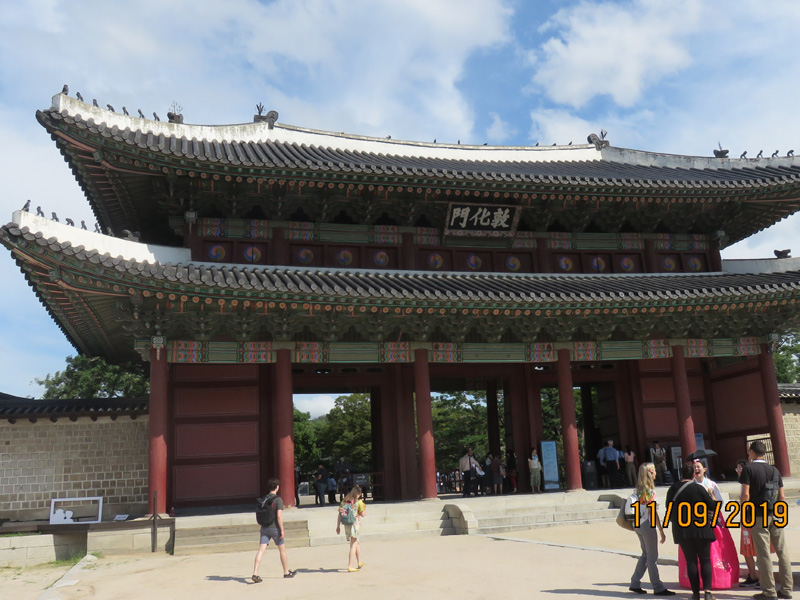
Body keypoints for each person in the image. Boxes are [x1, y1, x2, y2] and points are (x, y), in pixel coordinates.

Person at [739, 440, 793, 600]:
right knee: (782, 552)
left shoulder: (748, 469)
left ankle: (769, 591)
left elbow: (745, 495)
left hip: (758, 515)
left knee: (763, 554)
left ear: (752, 452)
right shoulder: (775, 470)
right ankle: (786, 589)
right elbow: (782, 496)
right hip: (776, 514)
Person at [677, 460, 739, 590]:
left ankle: (717, 579)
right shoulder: (689, 485)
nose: (696, 469)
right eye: (694, 468)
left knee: (714, 551)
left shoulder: (711, 484)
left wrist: (711, 497)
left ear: (704, 469)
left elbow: (718, 503)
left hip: (712, 520)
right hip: (694, 521)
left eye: (698, 467)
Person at [668, 463, 717, 600]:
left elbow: (669, 509)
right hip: (702, 528)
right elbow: (712, 506)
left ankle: (695, 594)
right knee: (705, 560)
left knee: (691, 561)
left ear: (680, 474)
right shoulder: (699, 488)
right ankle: (708, 592)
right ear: (693, 474)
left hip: (683, 530)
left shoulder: (673, 489)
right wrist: (711, 495)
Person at [629, 462, 675, 596]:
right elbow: (653, 512)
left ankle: (635, 582)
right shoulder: (650, 492)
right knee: (652, 557)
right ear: (649, 473)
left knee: (645, 554)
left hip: (637, 523)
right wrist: (661, 530)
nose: (656, 473)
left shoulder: (637, 490)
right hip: (647, 524)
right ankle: (657, 586)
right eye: (654, 471)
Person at [735, 459, 772, 588]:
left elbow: (746, 497)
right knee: (747, 549)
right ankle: (752, 575)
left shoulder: (749, 483)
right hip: (751, 518)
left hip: (751, 517)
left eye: (740, 468)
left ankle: (762, 577)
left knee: (756, 548)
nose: (738, 471)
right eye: (737, 469)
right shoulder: (743, 483)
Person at [252, 478, 297, 582]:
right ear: (277, 487)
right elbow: (279, 516)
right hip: (275, 528)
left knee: (261, 550)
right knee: (282, 550)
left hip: (264, 528)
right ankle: (286, 572)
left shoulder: (264, 498)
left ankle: (255, 572)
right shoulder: (278, 499)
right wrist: (282, 530)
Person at [336, 485, 366, 572]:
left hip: (347, 525)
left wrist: (338, 526)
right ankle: (350, 566)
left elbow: (339, 514)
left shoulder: (344, 501)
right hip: (355, 524)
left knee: (356, 543)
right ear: (358, 494)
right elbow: (363, 514)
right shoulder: (359, 502)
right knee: (353, 545)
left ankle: (359, 561)